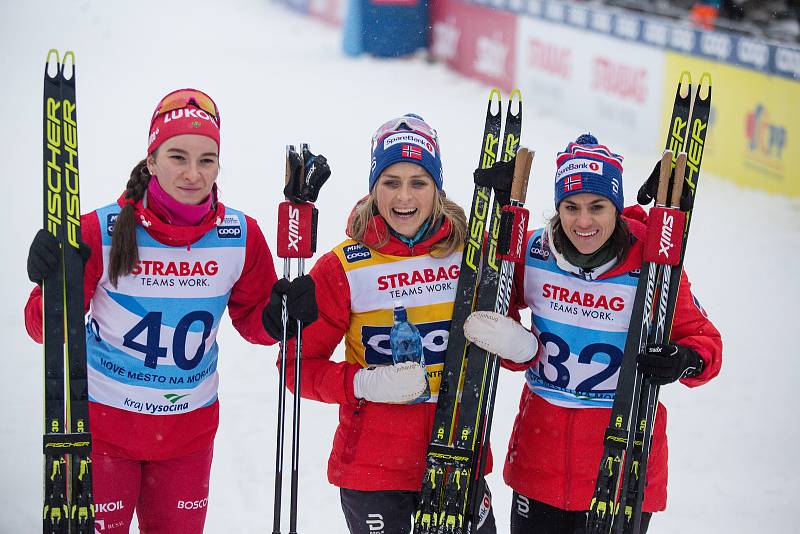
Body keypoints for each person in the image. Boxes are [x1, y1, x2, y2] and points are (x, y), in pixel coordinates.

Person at [24, 88, 316, 533]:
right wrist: (51, 283)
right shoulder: (98, 230)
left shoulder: (240, 235)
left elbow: (255, 323)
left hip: (188, 434)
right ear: (151, 160)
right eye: (178, 156)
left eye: (207, 159)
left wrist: (280, 317)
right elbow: (44, 328)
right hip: (102, 429)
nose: (193, 174)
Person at [463, 134, 722, 533]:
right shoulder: (536, 252)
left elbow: (704, 342)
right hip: (540, 460)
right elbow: (490, 312)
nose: (583, 222)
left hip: (621, 469)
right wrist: (517, 344)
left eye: (597, 207)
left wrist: (684, 361)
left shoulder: (653, 265)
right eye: (571, 207)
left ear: (616, 209)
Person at [282, 114, 497, 534]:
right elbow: (294, 367)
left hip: (457, 457)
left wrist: (519, 346)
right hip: (373, 471)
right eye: (391, 181)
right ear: (372, 187)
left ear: (437, 188)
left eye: (419, 182)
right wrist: (364, 383)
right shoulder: (343, 267)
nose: (404, 196)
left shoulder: (470, 256)